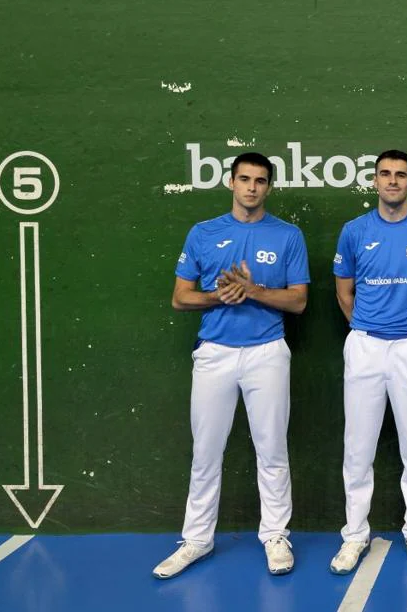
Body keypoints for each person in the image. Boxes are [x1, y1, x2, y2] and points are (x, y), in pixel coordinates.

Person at [153, 152, 310, 579]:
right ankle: (197, 540)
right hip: (214, 354)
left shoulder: (288, 235)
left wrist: (254, 290)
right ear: (231, 183)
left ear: (269, 187)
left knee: (272, 450)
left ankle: (276, 535)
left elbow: (298, 300)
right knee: (205, 452)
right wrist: (219, 296)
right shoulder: (203, 234)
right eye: (245, 179)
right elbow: (180, 297)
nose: (252, 188)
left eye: (260, 181)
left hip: (267, 354)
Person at [330, 150, 407, 574]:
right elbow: (343, 292)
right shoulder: (353, 231)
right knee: (358, 447)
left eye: (400, 175)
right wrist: (368, 328)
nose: (392, 181)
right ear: (374, 181)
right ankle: (354, 535)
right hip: (365, 346)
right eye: (385, 174)